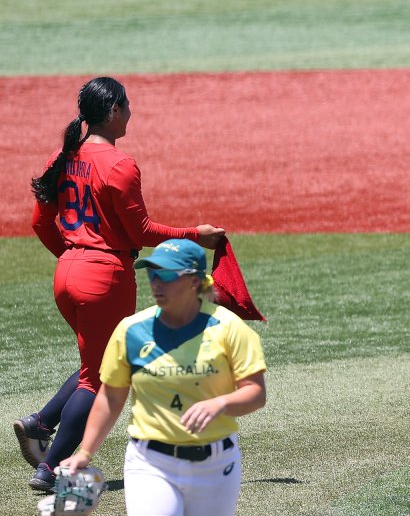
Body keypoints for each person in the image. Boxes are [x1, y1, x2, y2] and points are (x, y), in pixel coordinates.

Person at [19, 77, 225, 493]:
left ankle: (40, 422)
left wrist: (74, 256)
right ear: (113, 111)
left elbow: (41, 222)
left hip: (68, 274)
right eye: (127, 105)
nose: (131, 112)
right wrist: (194, 235)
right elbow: (142, 231)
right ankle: (50, 467)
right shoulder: (120, 164)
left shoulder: (62, 156)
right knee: (100, 379)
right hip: (105, 277)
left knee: (95, 362)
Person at [58, 239, 266, 516]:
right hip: (150, 463)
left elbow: (255, 393)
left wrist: (220, 404)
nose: (156, 282)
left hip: (216, 467)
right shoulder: (131, 330)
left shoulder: (229, 328)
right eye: (152, 274)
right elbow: (110, 396)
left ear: (194, 281)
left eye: (167, 275)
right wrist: (85, 452)